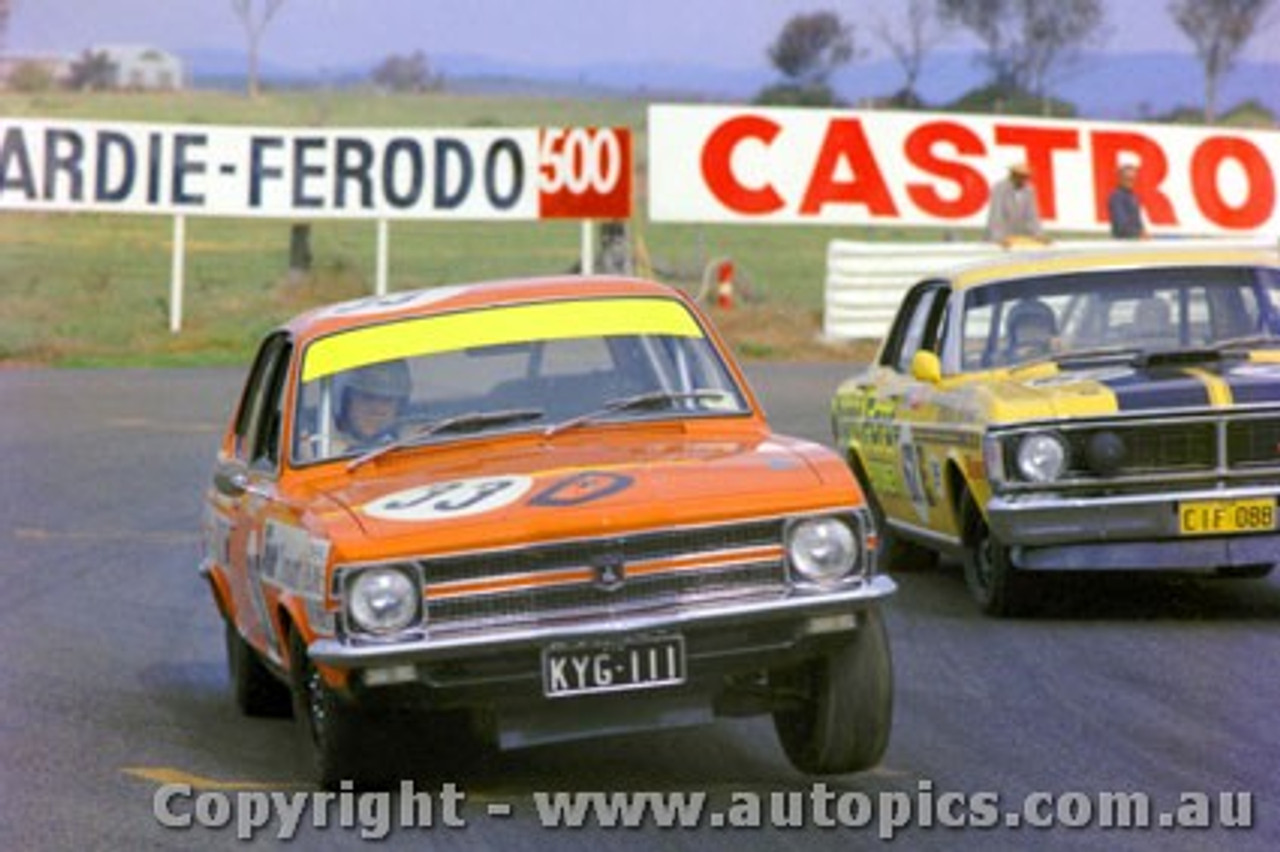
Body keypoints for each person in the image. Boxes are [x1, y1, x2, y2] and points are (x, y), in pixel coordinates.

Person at [329, 359, 412, 454]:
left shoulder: (414, 447)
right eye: (368, 398)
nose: (377, 409)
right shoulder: (322, 452)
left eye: (387, 400)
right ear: (347, 401)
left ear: (399, 407)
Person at [986, 162, 1049, 248]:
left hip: (1019, 237)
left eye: (1026, 177)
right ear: (1013, 175)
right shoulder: (1000, 187)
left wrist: (1039, 235)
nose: (1024, 179)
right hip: (1001, 238)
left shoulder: (1029, 190)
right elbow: (996, 214)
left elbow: (1032, 215)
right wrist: (998, 238)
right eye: (1022, 176)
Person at [1004, 299, 1057, 364]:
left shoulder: (1059, 356)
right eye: (1025, 325)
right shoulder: (1003, 361)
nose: (1033, 332)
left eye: (1040, 325)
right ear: (1013, 333)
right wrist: (1018, 358)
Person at [1107, 161, 1146, 239]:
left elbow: (1138, 221)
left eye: (1132, 179)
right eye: (1127, 178)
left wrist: (1142, 231)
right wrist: (1139, 233)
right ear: (1120, 178)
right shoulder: (1116, 197)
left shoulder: (1133, 196)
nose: (1130, 181)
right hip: (1122, 243)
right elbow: (1121, 225)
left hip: (1135, 241)